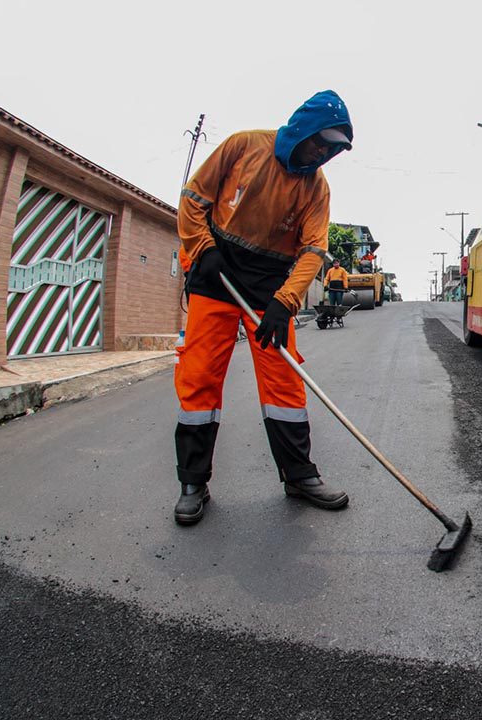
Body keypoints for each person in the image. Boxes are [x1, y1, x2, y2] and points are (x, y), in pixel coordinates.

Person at [173, 90, 354, 525]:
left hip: (269, 284)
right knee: (199, 376)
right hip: (216, 271)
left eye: (332, 149)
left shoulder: (316, 189)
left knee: (285, 384)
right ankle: (193, 483)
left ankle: (299, 476)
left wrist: (284, 302)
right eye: (319, 142)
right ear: (301, 128)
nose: (322, 154)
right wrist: (202, 249)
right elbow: (193, 199)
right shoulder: (243, 146)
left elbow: (313, 251)